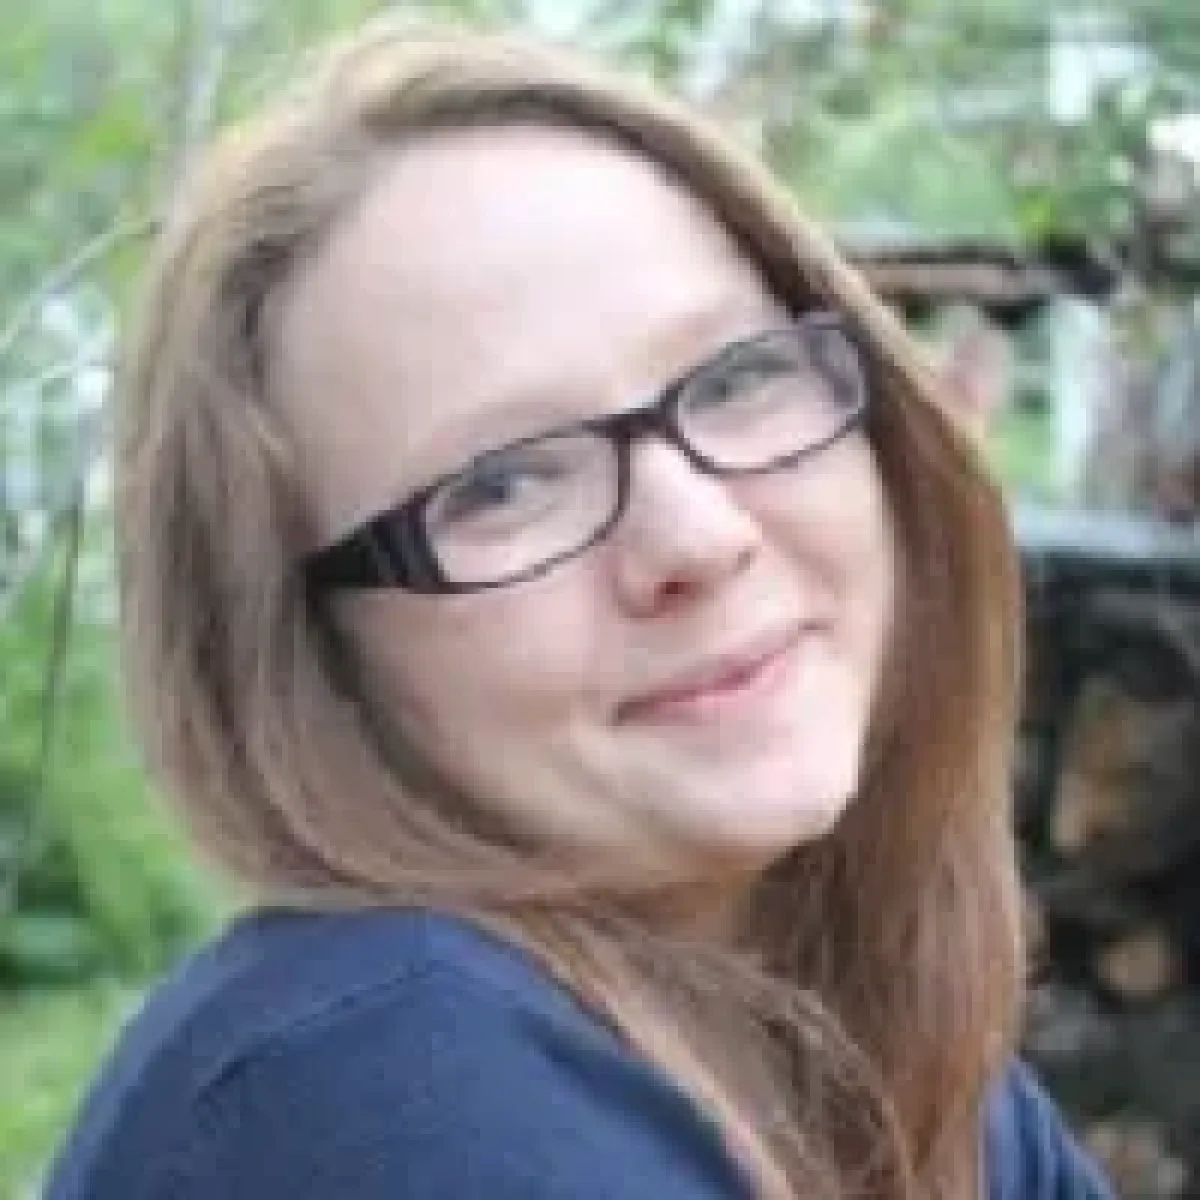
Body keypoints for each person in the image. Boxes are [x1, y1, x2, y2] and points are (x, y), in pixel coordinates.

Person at [45, 16, 1114, 1200]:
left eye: (740, 377)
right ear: (312, 661)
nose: (699, 538)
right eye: (503, 486)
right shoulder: (386, 1089)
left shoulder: (856, 1046)